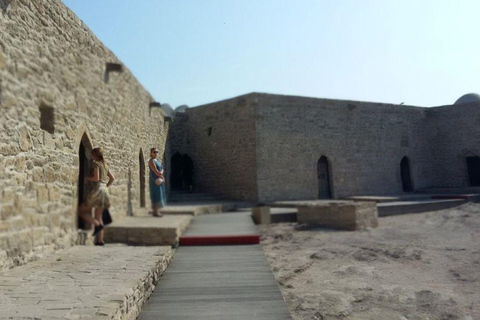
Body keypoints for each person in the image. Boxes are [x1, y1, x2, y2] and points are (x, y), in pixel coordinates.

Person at [79, 147, 115, 245]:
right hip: (105, 190)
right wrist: (105, 186)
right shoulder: (105, 165)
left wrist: (87, 178)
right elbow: (112, 178)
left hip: (98, 189)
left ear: (95, 155)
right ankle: (100, 241)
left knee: (81, 211)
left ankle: (96, 225)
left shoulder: (96, 164)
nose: (91, 156)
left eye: (92, 154)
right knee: (99, 216)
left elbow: (96, 178)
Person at [149, 147, 166, 217]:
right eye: (154, 152)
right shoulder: (151, 161)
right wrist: (161, 174)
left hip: (159, 179)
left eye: (156, 152)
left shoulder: (157, 161)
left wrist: (161, 174)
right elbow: (155, 171)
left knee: (159, 194)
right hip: (154, 180)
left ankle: (156, 211)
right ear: (151, 153)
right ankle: (155, 212)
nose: (155, 153)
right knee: (156, 195)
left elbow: (161, 169)